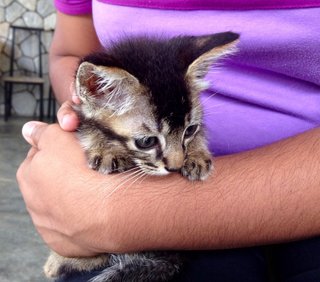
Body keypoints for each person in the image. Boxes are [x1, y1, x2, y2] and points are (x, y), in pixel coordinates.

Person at [17, 0, 320, 281]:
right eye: (148, 141)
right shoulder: (112, 100)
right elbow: (70, 52)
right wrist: (86, 117)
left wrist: (116, 215)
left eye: (190, 133)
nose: (175, 163)